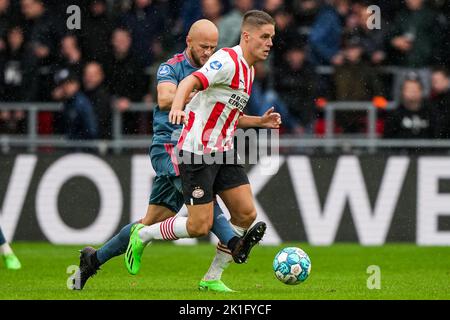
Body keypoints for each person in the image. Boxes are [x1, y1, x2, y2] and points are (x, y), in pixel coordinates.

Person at [73, 19, 279, 293]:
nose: (208, 52)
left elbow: (223, 115)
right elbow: (165, 98)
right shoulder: (173, 67)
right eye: (203, 47)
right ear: (188, 43)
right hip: (170, 146)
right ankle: (234, 243)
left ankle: (93, 259)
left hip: (208, 145)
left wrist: (256, 121)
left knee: (150, 222)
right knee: (202, 210)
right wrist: (195, 93)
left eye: (212, 47)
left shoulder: (230, 68)